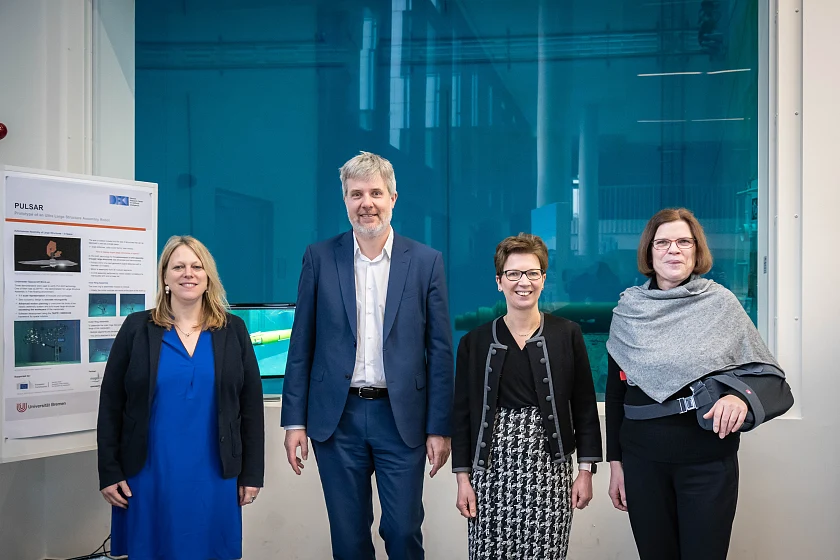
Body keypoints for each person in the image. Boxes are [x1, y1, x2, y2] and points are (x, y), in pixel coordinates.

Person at [281, 151, 454, 560]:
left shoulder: (427, 262)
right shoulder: (319, 258)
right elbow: (301, 344)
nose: (367, 203)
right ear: (345, 200)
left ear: (393, 197)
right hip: (336, 421)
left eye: (376, 192)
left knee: (402, 529)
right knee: (349, 537)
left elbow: (441, 351)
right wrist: (294, 421)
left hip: (402, 419)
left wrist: (439, 426)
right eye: (356, 193)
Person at [605, 208, 781, 560]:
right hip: (642, 465)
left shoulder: (721, 304)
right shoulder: (629, 310)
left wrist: (741, 400)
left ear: (697, 250)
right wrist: (616, 466)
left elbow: (766, 373)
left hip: (708, 464)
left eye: (684, 241)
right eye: (663, 242)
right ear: (649, 252)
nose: (674, 250)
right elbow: (616, 394)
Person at [97, 235, 265, 560]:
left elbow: (250, 408)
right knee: (151, 550)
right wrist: (109, 471)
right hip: (148, 472)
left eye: (196, 266)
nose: (188, 273)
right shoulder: (136, 328)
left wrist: (252, 473)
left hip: (214, 473)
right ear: (165, 277)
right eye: (178, 266)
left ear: (207, 276)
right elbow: (111, 405)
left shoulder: (234, 330)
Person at [451, 233, 603, 560]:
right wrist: (463, 478)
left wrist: (586, 471)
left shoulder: (567, 333)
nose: (524, 282)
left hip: (550, 467)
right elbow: (462, 415)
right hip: (491, 472)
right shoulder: (474, 343)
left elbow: (585, 406)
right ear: (499, 281)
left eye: (533, 273)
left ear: (544, 279)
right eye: (514, 274)